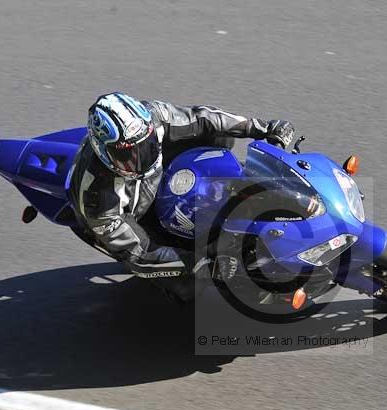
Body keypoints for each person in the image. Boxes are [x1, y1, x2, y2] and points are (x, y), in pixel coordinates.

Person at [69, 92, 295, 280]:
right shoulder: (97, 198)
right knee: (187, 285)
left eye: (145, 144)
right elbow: (140, 254)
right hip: (136, 215)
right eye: (127, 154)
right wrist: (202, 265)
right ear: (103, 153)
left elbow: (204, 118)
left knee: (220, 138)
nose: (140, 156)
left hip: (164, 170)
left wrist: (260, 127)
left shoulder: (153, 116)